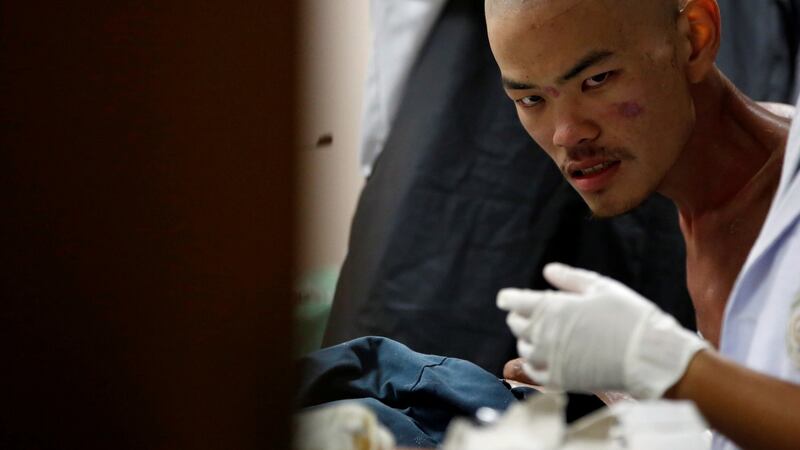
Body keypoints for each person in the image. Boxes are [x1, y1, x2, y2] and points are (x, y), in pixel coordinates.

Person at [485, 0, 800, 449]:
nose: (567, 134)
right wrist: (654, 405)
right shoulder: (706, 199)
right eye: (531, 99)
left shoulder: (785, 208)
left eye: (596, 80)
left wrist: (674, 369)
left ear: (694, 38)